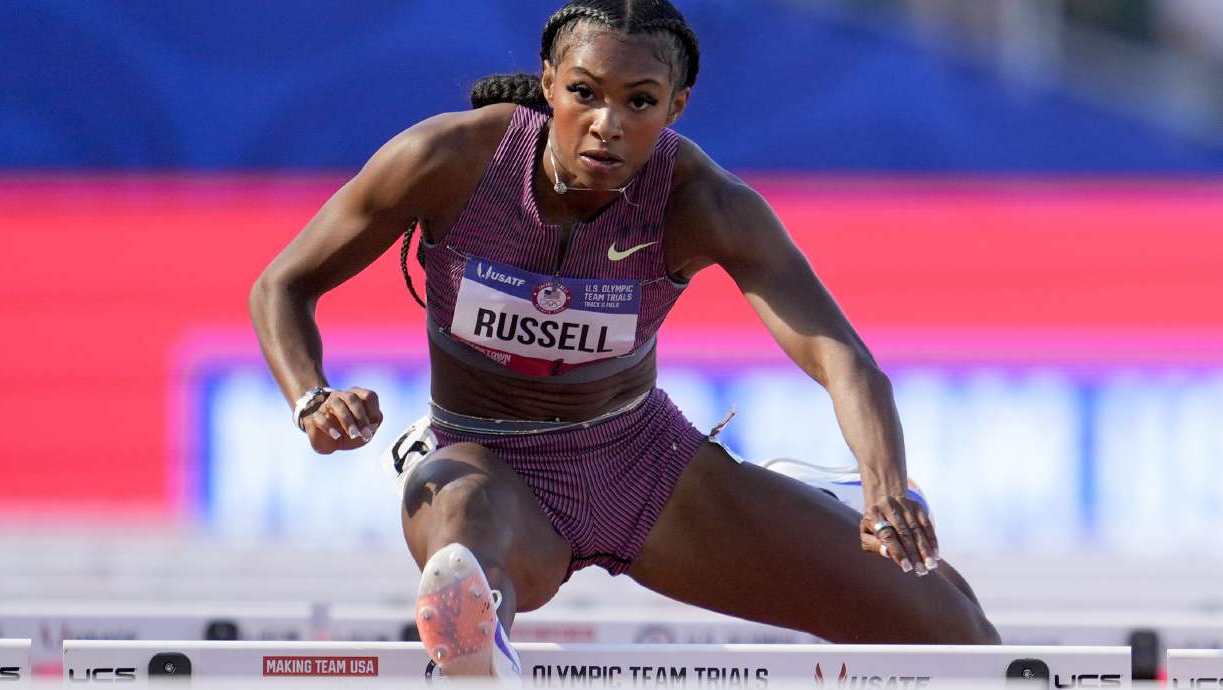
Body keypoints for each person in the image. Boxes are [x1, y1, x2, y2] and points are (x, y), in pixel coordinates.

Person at [249, 0, 1000, 679]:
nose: (608, 124)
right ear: (548, 85)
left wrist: (883, 489)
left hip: (645, 468)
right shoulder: (448, 162)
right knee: (460, 550)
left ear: (676, 106)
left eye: (639, 102)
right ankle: (478, 660)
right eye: (585, 93)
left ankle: (816, 498)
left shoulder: (703, 202)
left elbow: (842, 357)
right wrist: (310, 395)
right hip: (486, 458)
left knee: (954, 630)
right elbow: (282, 285)